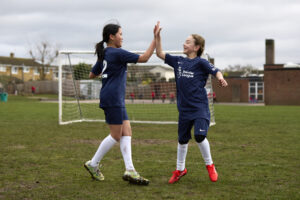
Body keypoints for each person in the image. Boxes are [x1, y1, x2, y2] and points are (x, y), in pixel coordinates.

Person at [84, 22, 158, 185]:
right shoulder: (117, 53)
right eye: (120, 34)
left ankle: (130, 169)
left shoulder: (105, 54)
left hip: (112, 97)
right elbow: (144, 58)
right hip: (113, 98)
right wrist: (155, 39)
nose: (122, 37)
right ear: (112, 36)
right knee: (116, 135)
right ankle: (93, 163)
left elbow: (91, 74)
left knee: (127, 131)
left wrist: (108, 75)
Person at [154, 22, 228, 184]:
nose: (184, 44)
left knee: (200, 136)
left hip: (200, 107)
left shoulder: (201, 62)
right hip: (184, 109)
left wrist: (221, 78)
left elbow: (216, 71)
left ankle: (210, 166)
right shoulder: (178, 61)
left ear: (197, 47)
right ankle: (180, 170)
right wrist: (157, 37)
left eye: (188, 42)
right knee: (182, 140)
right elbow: (159, 53)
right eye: (185, 41)